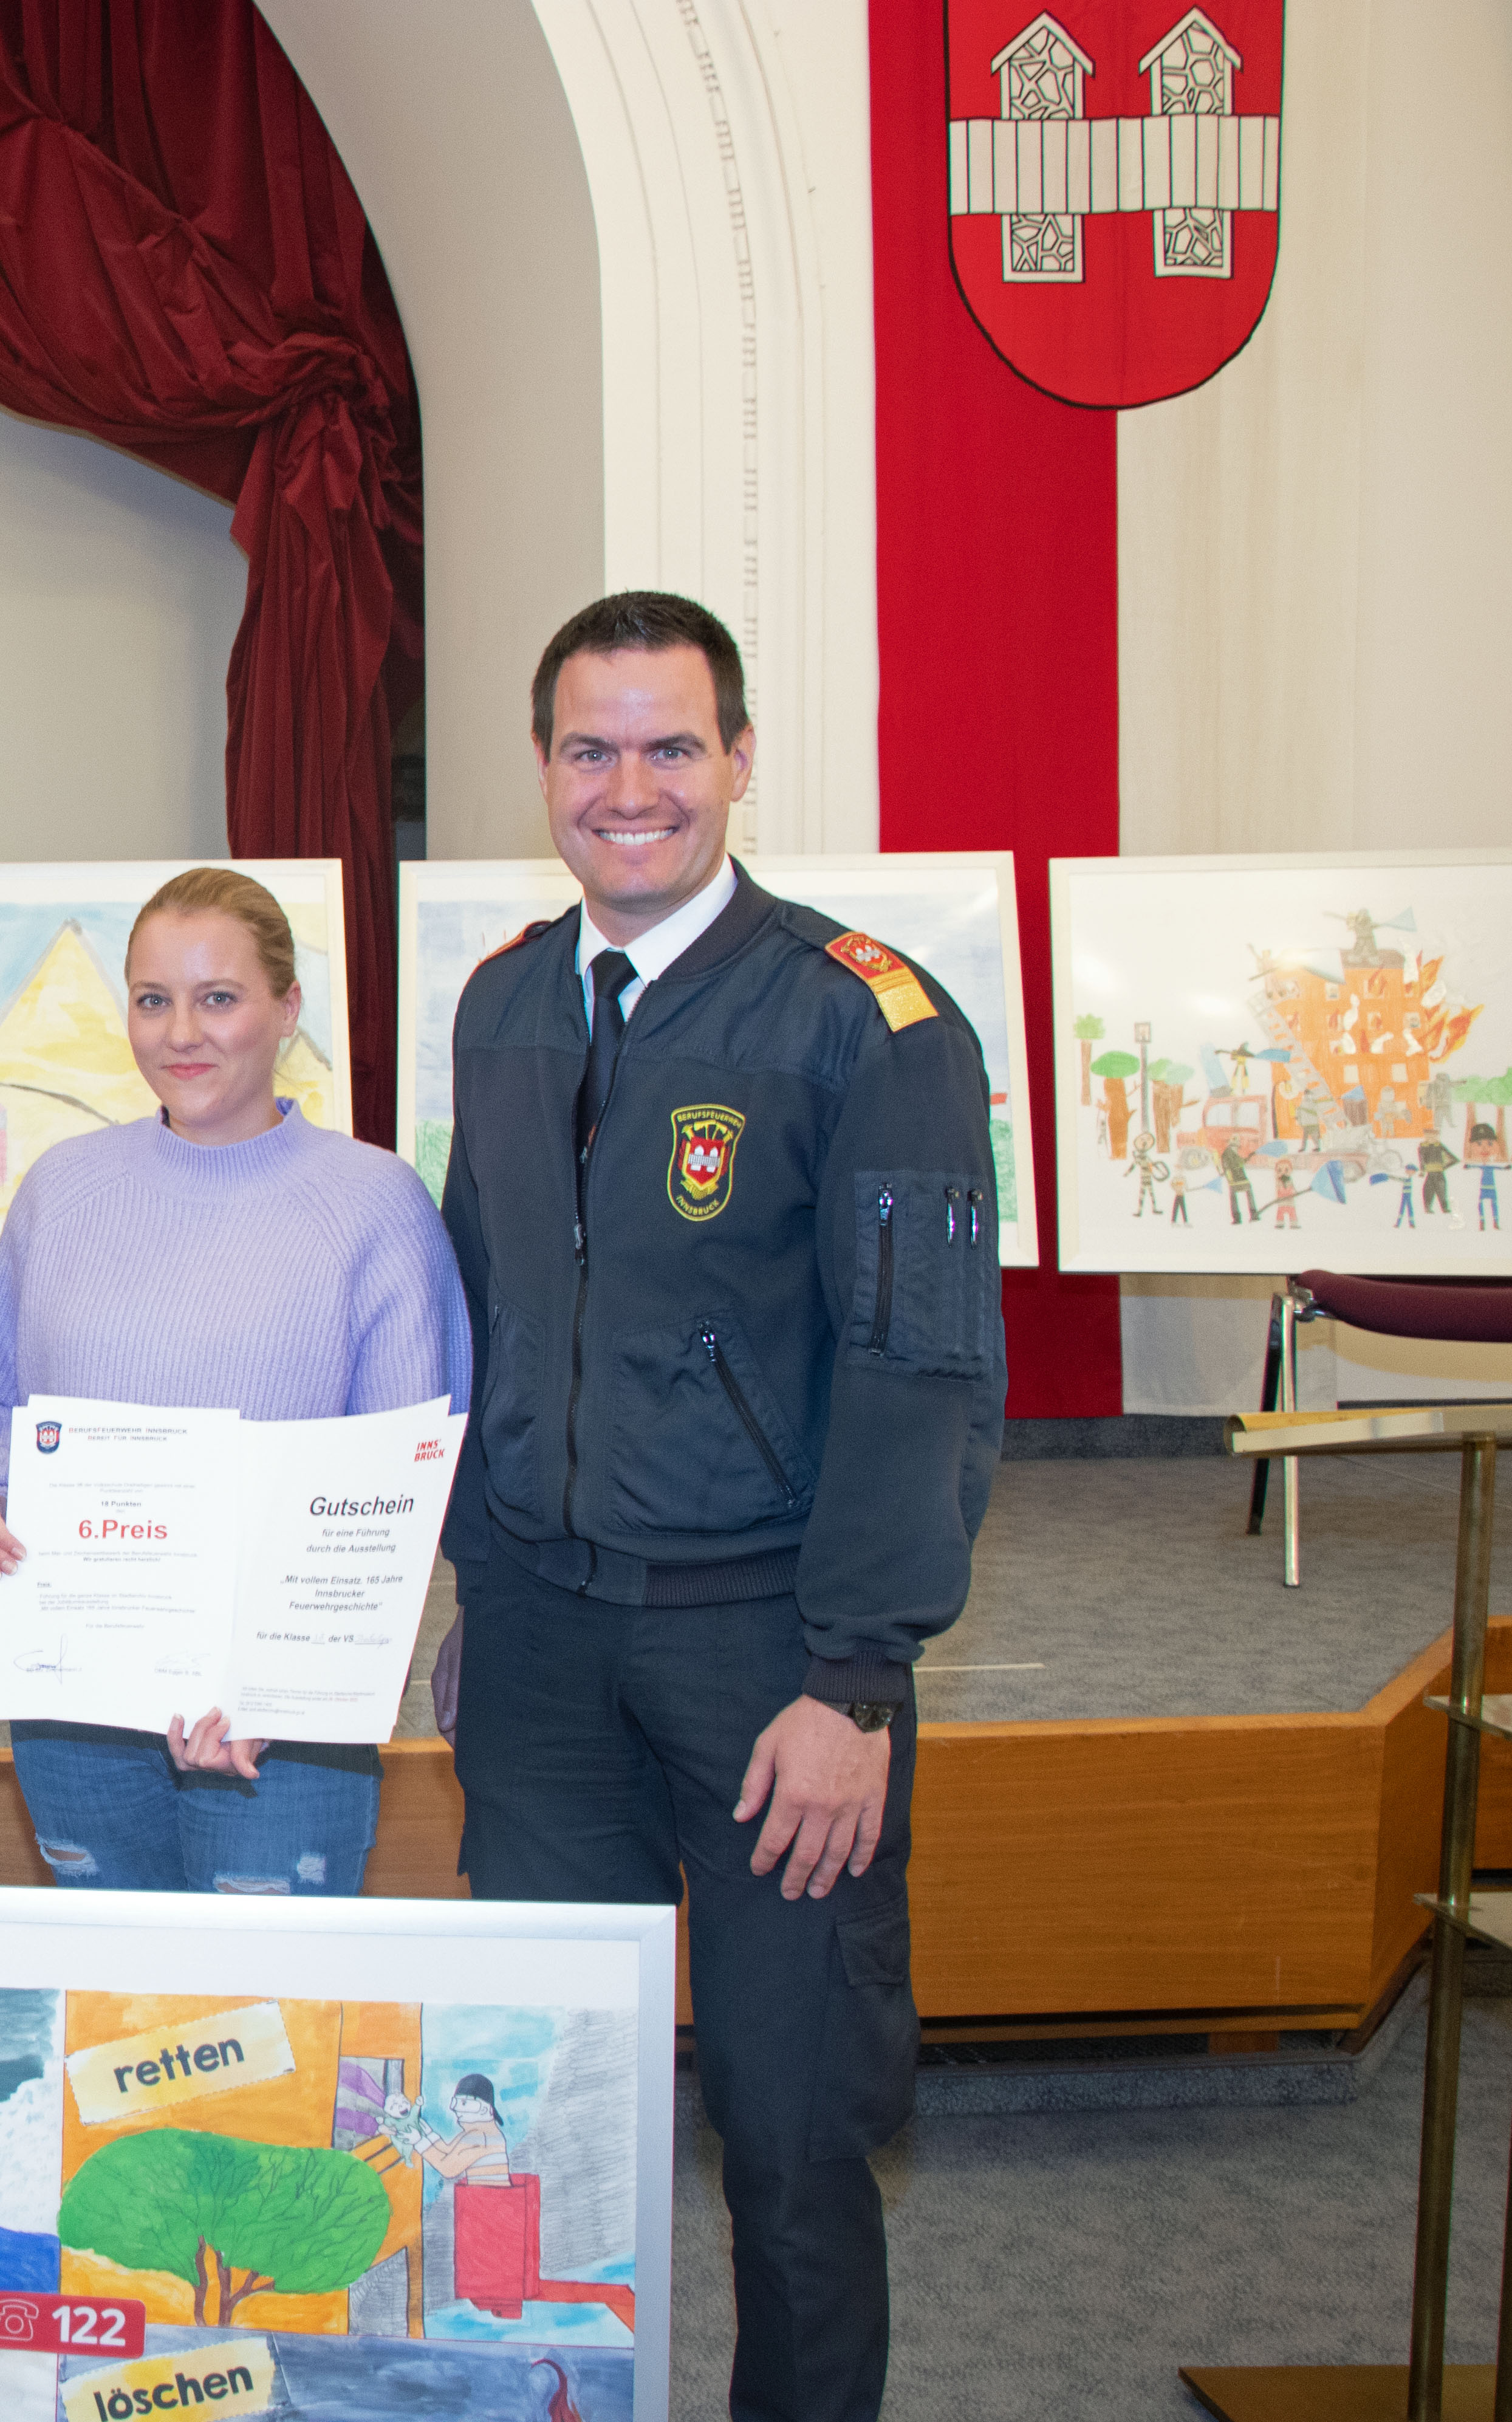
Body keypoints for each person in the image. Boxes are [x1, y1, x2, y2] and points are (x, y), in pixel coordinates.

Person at [441, 593, 1003, 2422]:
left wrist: (852, 1680)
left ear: (738, 759)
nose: (628, 787)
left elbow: (920, 1369)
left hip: (768, 1647)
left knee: (788, 2127)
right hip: (536, 1641)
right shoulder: (505, 995)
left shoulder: (868, 1020)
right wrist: (467, 1574)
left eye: (668, 746)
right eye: (588, 748)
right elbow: (493, 1304)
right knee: (538, 2119)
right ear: (541, 767)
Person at [0, 866, 471, 1896]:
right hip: (79, 1710)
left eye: (217, 998)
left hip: (284, 1732)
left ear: (287, 1008)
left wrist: (292, 1684)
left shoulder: (375, 1207)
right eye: (152, 1000)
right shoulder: (60, 1192)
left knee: (269, 2027)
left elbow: (400, 1490)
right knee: (110, 2021)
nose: (181, 1031)